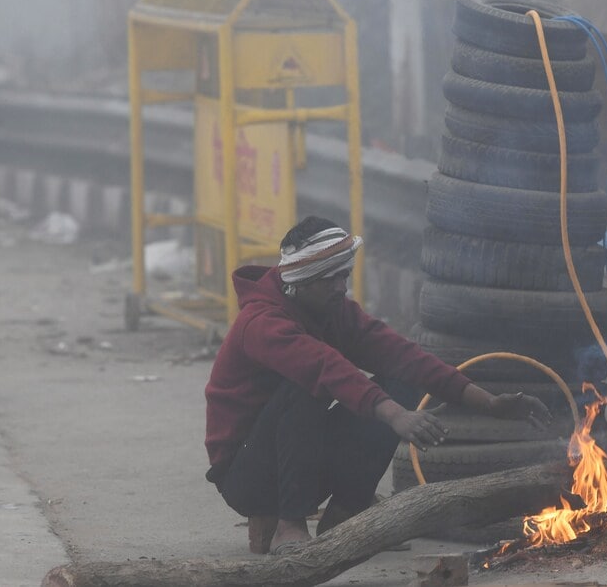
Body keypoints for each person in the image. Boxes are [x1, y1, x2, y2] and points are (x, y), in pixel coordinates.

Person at [204, 216, 553, 556]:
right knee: (306, 387)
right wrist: (394, 415)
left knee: (403, 379)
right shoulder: (261, 322)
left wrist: (488, 403)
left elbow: (401, 354)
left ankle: (345, 512)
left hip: (298, 460)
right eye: (333, 279)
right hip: (246, 477)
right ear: (303, 282)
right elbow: (326, 368)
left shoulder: (332, 309)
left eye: (345, 276)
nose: (342, 287)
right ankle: (289, 525)